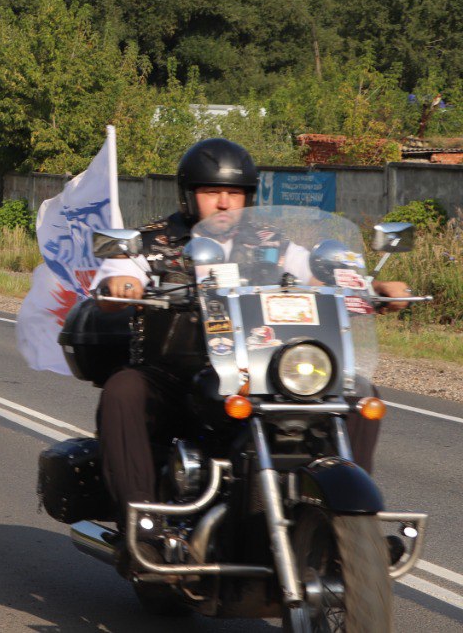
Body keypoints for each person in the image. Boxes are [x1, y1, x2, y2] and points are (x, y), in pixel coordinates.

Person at [91, 138, 411, 530]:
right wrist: (124, 285)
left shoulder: (271, 241)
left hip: (258, 372)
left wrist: (372, 290)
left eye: (235, 193)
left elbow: (317, 276)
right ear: (189, 196)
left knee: (360, 394)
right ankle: (142, 522)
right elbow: (115, 280)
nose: (224, 203)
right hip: (176, 375)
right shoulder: (151, 242)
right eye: (212, 192)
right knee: (123, 390)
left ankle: (345, 522)